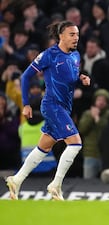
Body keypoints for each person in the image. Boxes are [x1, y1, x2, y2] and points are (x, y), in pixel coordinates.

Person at [5, 20, 90, 200]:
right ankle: (55, 185)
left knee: (43, 147)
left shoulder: (75, 56)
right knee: (75, 143)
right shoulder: (49, 55)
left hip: (64, 108)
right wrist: (26, 103)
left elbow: (70, 79)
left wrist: (80, 78)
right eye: (72, 34)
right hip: (52, 105)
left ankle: (16, 179)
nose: (76, 38)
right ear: (61, 36)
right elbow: (26, 76)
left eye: (77, 34)